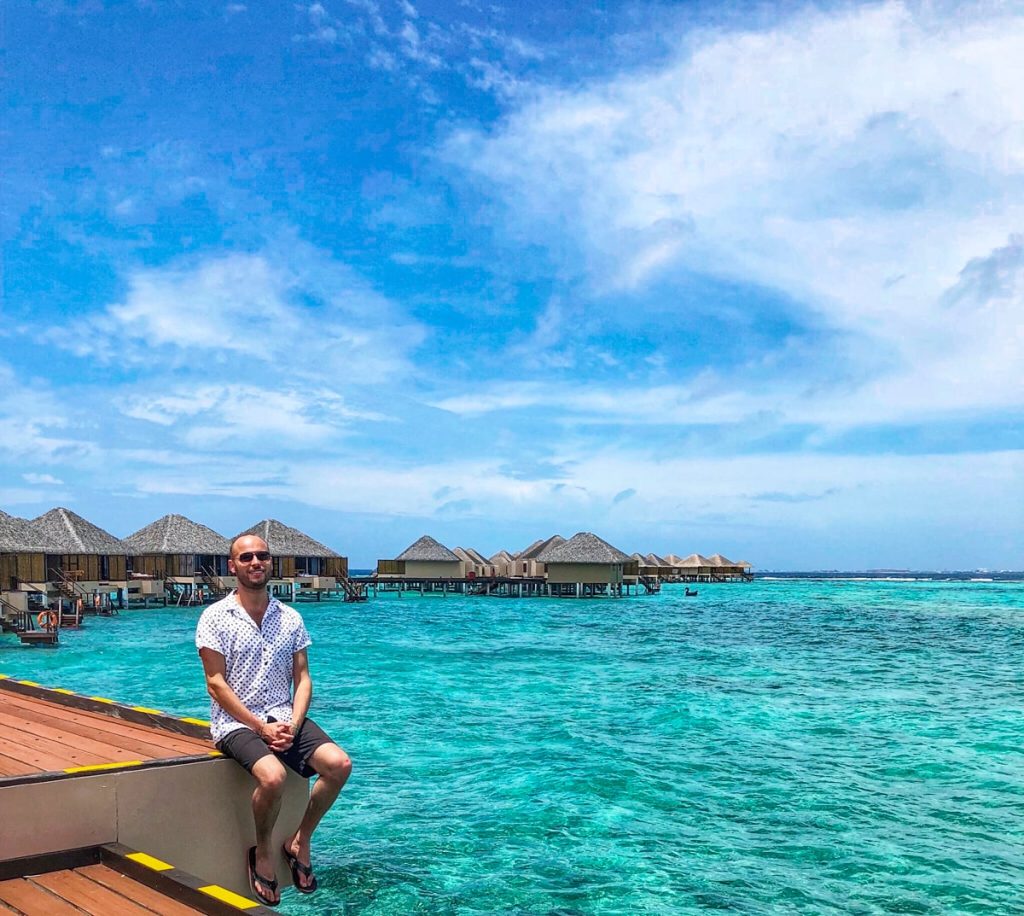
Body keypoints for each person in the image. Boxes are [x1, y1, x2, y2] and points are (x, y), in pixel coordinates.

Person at [196, 534, 351, 906]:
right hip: (235, 724)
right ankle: (263, 852)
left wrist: (294, 725)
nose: (255, 562)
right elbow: (216, 684)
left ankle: (300, 840)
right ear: (232, 566)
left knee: (339, 765)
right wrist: (259, 727)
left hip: (284, 716)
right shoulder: (215, 617)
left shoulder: (290, 617)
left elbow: (303, 678)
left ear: (270, 562)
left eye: (262, 556)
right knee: (274, 776)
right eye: (246, 557)